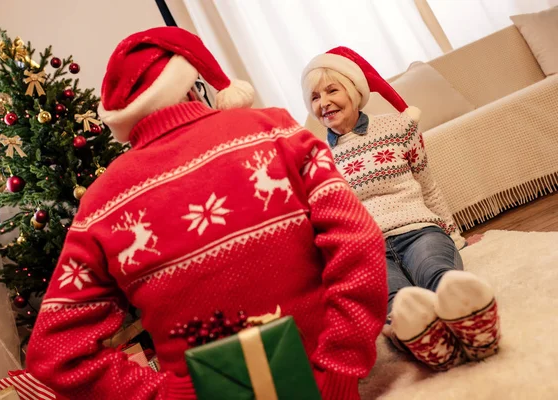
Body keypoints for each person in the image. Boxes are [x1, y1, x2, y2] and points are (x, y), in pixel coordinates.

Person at [26, 27, 387, 400]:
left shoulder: (99, 205)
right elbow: (359, 244)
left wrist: (167, 394)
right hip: (322, 384)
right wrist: (341, 366)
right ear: (192, 84)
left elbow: (54, 355)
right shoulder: (275, 131)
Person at [301, 47, 501, 371]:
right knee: (398, 299)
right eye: (313, 97)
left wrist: (455, 236)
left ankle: (471, 320)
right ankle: (427, 339)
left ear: (353, 91)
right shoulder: (316, 158)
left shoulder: (398, 127)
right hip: (367, 248)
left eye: (332, 90)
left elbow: (428, 184)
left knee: (437, 271)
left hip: (417, 228)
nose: (323, 102)